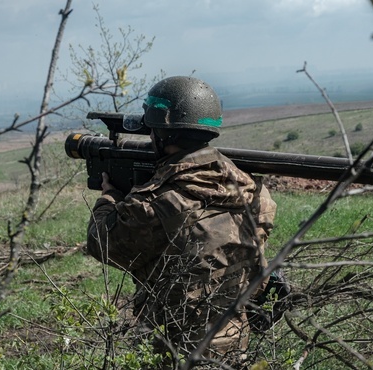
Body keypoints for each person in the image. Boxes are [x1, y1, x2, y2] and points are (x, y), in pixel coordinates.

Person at [86, 76, 277, 368]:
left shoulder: (161, 205)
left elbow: (102, 242)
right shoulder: (254, 193)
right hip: (233, 340)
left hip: (174, 348)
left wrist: (110, 198)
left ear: (161, 133)